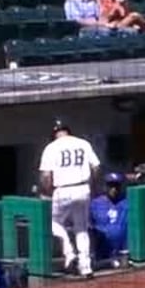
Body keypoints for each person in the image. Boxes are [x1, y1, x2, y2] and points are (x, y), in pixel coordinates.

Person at [38, 119, 103, 277]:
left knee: (52, 223)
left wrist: (47, 192)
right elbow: (96, 167)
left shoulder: (51, 147)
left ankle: (69, 253)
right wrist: (93, 186)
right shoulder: (83, 143)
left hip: (63, 189)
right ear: (68, 130)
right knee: (81, 228)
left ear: (55, 133)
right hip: (82, 188)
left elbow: (45, 176)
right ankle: (86, 266)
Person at [88, 171, 129, 267]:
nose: (114, 189)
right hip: (102, 252)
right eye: (111, 186)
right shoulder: (95, 204)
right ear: (105, 186)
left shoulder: (127, 202)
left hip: (122, 251)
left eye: (116, 186)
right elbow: (89, 226)